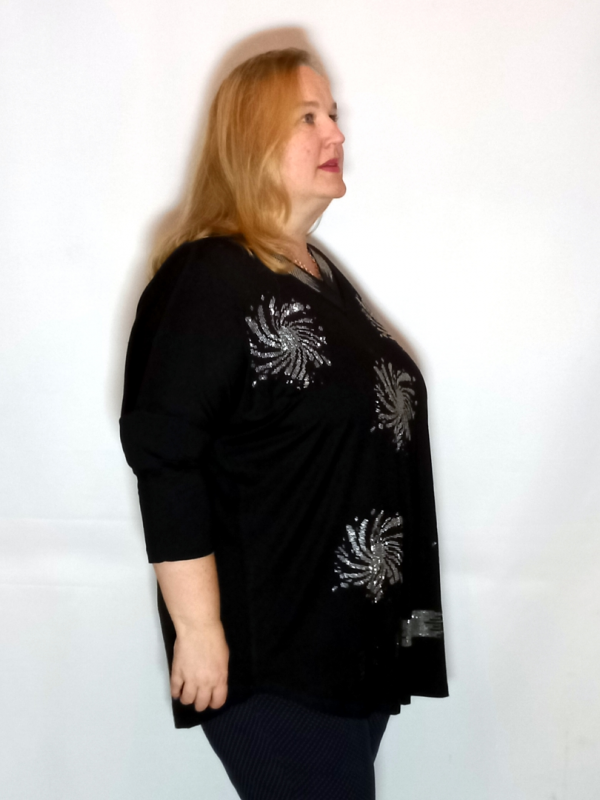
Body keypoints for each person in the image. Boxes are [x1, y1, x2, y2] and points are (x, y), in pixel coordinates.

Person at [119, 47, 448, 800]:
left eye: (333, 114)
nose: (335, 132)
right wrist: (199, 631)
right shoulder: (208, 276)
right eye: (308, 117)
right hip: (274, 656)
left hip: (343, 649)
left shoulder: (316, 273)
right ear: (250, 141)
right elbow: (166, 454)